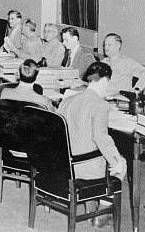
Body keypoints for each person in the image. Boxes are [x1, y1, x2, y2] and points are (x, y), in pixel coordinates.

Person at [58, 61, 127, 228]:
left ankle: (91, 204)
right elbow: (101, 138)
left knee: (98, 151)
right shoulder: (101, 104)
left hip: (62, 164)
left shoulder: (67, 101)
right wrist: (116, 160)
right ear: (104, 81)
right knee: (121, 163)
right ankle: (103, 211)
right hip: (83, 168)